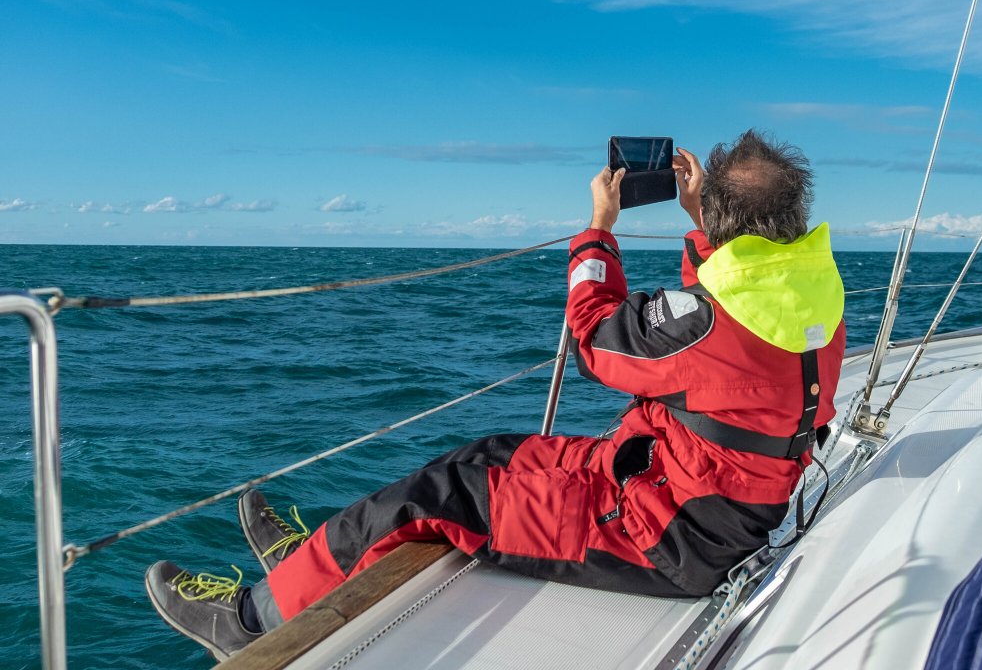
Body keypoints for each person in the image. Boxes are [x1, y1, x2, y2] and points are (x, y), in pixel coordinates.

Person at [144, 129, 847, 661]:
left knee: (440, 494)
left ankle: (250, 624)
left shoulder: (711, 322)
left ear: (723, 218)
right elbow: (726, 310)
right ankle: (307, 567)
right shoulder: (811, 299)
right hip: (687, 492)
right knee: (486, 452)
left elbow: (596, 336)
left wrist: (599, 228)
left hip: (664, 535)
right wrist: (707, 221)